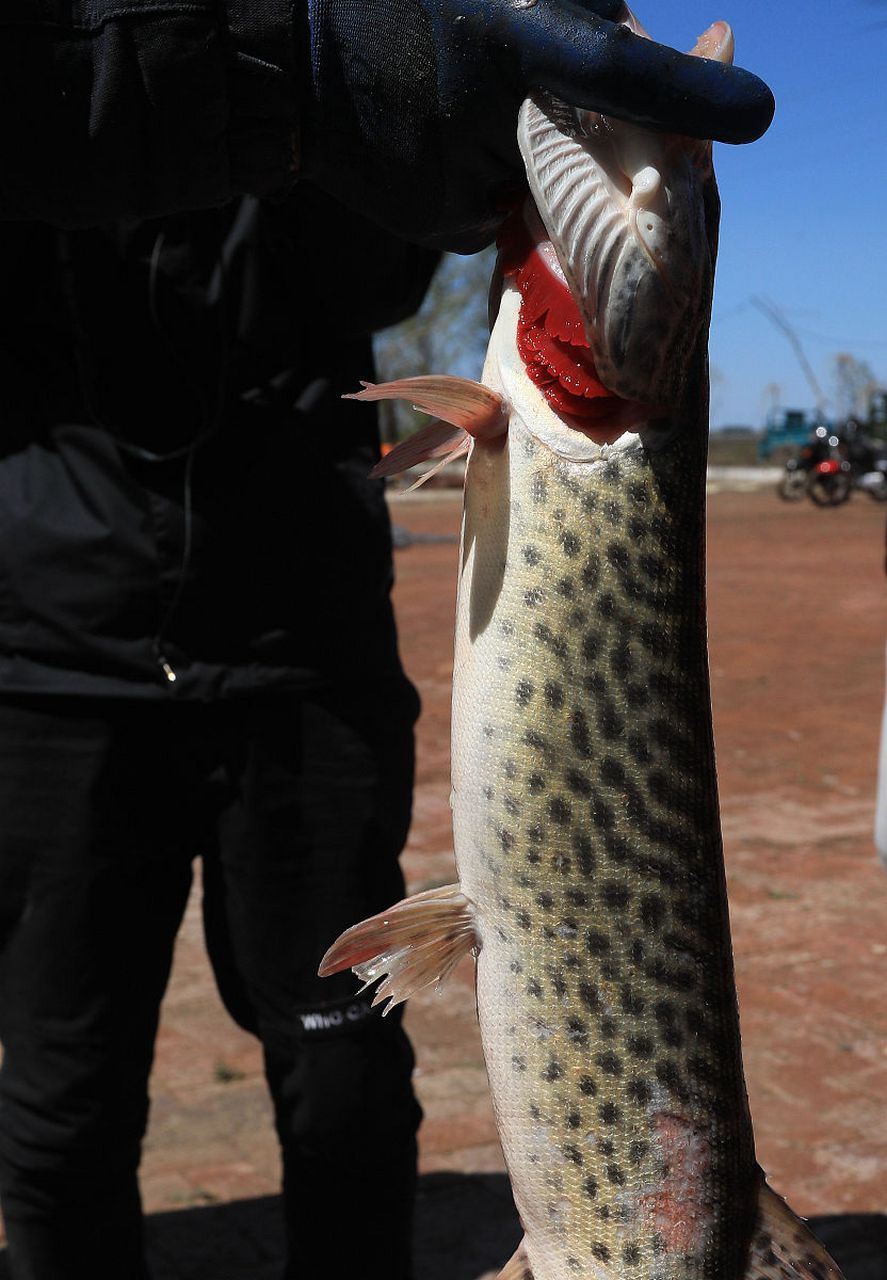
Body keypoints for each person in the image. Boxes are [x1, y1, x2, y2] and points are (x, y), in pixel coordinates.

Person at [0, 4, 774, 1278]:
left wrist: (352, 82)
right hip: (56, 653)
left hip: (305, 646)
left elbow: (414, 234)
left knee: (343, 1063)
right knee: (63, 1081)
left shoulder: (312, 68)